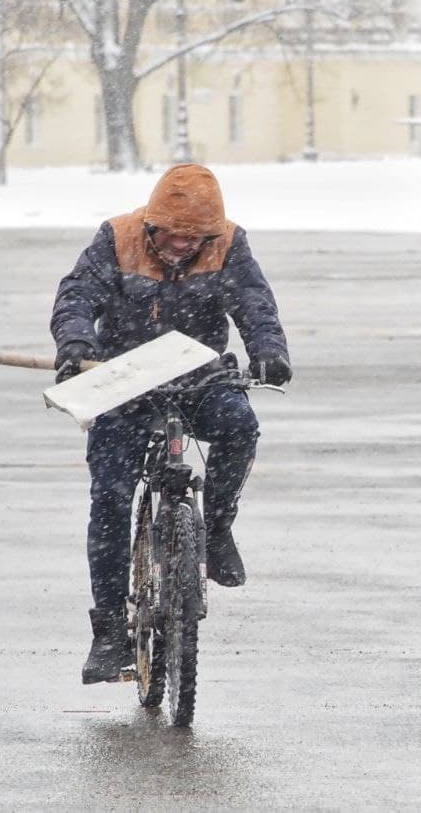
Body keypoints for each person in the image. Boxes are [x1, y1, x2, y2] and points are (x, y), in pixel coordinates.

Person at [50, 163, 291, 685]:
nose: (183, 246)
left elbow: (254, 304)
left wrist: (269, 352)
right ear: (152, 224)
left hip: (198, 372)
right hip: (122, 377)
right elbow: (76, 298)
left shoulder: (229, 243)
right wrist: (75, 346)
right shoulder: (116, 238)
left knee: (240, 428)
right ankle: (110, 629)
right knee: (111, 498)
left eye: (194, 238)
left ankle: (219, 528)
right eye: (173, 236)